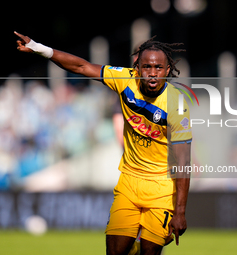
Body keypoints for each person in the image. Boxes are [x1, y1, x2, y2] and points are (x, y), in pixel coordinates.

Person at [14, 31, 192, 255]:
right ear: (137, 68)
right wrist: (41, 49)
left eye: (158, 68)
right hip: (129, 182)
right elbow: (81, 67)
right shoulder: (125, 79)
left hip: (163, 188)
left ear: (167, 70)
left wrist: (180, 212)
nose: (152, 73)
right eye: (147, 67)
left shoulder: (176, 104)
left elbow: (184, 160)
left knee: (150, 252)